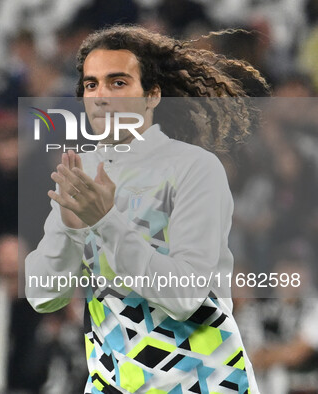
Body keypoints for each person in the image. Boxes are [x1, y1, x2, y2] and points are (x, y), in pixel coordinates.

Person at [25, 25, 270, 393]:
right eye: (91, 85)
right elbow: (44, 295)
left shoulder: (194, 168)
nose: (101, 96)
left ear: (152, 95)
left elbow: (185, 297)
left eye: (118, 82)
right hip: (112, 384)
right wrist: (72, 231)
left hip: (203, 382)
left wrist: (105, 222)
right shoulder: (83, 173)